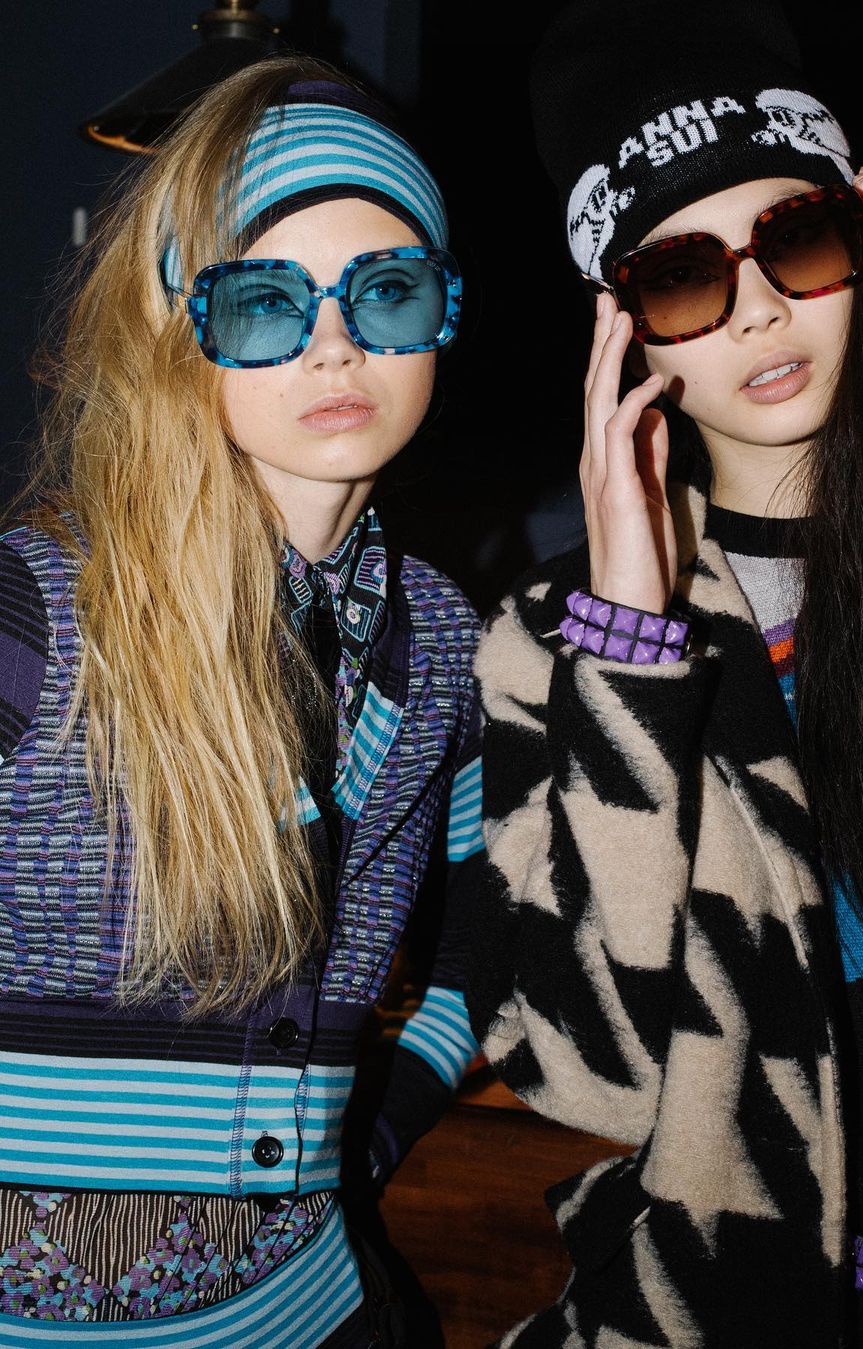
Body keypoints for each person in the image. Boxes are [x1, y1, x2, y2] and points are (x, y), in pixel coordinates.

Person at [468, 2, 863, 1345]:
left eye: (797, 240)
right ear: (625, 327)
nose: (756, 308)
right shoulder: (551, 645)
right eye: (686, 276)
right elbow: (587, 1071)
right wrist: (630, 652)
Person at [0, 56, 483, 1346]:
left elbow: (486, 929)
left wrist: (366, 1135)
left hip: (318, 1311)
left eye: (387, 291)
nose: (336, 345)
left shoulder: (438, 638)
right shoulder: (36, 620)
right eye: (266, 301)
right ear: (181, 331)